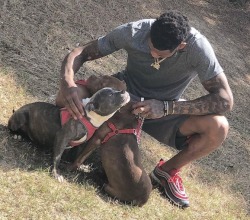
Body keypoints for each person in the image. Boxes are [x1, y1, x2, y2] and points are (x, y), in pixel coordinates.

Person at [57, 10, 234, 208]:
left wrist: (166, 107)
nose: (153, 54)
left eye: (160, 54)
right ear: (150, 31)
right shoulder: (135, 31)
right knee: (65, 98)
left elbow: (225, 100)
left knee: (218, 127)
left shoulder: (198, 48)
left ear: (181, 46)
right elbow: (81, 52)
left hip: (163, 111)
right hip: (120, 100)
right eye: (150, 46)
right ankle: (76, 141)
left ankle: (165, 172)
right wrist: (67, 83)